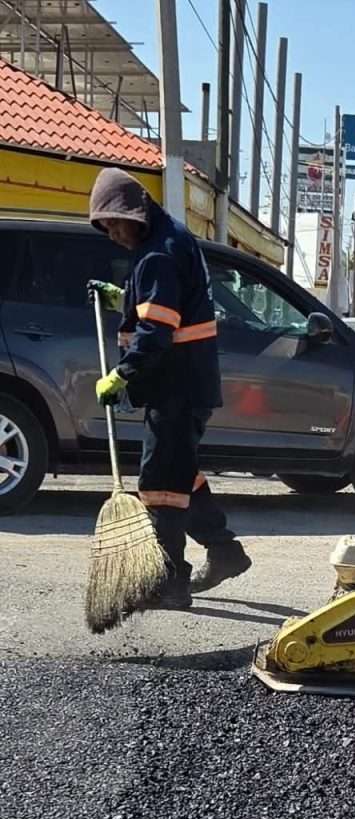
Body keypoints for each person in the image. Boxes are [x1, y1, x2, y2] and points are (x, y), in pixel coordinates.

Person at [88, 167, 251, 608]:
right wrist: (121, 299)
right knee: (180, 474)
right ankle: (224, 551)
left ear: (133, 213)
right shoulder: (167, 239)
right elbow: (167, 302)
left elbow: (158, 330)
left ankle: (170, 583)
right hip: (184, 385)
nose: (113, 234)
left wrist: (122, 374)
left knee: (159, 483)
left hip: (175, 386)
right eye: (105, 228)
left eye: (114, 223)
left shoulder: (157, 252)